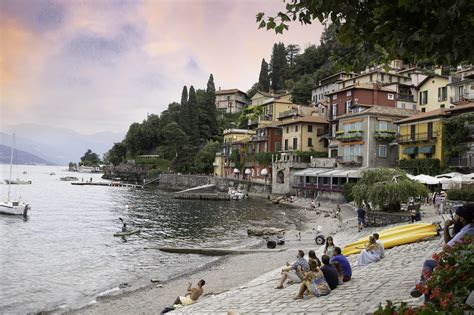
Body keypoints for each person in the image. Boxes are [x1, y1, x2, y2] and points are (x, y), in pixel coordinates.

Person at [410, 204, 474, 298]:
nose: (453, 218)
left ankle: (422, 285)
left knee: (428, 264)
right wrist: (446, 228)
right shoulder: (467, 228)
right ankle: (423, 285)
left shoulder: (467, 231)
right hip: (463, 261)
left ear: (461, 218)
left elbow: (446, 247)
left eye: (456, 216)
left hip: (460, 264)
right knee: (430, 277)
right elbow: (449, 242)